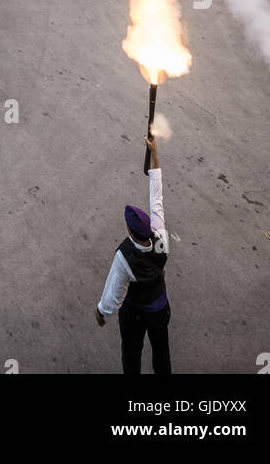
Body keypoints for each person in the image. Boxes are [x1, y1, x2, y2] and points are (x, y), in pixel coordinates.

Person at [95, 136, 171, 376]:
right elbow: (156, 198)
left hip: (135, 312)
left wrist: (102, 311)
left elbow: (115, 292)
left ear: (130, 232)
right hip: (160, 307)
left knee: (131, 352)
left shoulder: (124, 256)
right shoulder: (159, 234)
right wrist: (155, 154)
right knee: (161, 351)